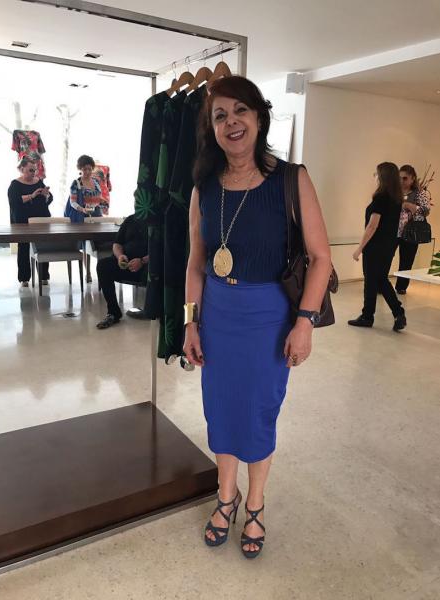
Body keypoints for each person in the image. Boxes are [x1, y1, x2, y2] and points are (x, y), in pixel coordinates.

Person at [183, 76, 332, 559]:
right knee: (221, 409)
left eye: (240, 111)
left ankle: (256, 504)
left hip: (269, 317)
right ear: (211, 129)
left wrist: (305, 322)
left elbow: (321, 257)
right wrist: (190, 322)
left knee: (259, 412)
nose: (231, 122)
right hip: (217, 316)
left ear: (259, 117)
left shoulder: (291, 179)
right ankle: (226, 496)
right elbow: (196, 262)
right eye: (220, 115)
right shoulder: (204, 188)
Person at [348, 162, 406, 331]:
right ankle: (399, 313)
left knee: (371, 281)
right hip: (389, 246)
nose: (374, 176)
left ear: (382, 177)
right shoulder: (396, 199)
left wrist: (359, 248)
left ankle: (367, 317)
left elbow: (372, 226)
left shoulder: (380, 197)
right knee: (381, 280)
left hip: (375, 246)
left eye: (376, 174)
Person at [96, 214, 149, 329]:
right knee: (103, 265)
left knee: (155, 269)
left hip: (147, 266)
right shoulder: (130, 219)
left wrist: (142, 261)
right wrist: (120, 256)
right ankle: (113, 312)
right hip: (126, 264)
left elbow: (161, 250)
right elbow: (117, 243)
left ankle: (152, 309)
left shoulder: (158, 220)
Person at [7, 157, 53, 287]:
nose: (34, 173)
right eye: (31, 170)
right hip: (22, 220)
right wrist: (32, 196)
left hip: (40, 219)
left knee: (43, 246)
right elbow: (14, 202)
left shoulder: (39, 181)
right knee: (23, 247)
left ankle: (44, 276)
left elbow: (50, 198)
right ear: (22, 169)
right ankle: (24, 278)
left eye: (35, 170)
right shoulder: (15, 184)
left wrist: (46, 195)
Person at [395, 164, 431, 294]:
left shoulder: (420, 193)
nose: (402, 181)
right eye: (399, 178)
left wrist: (412, 206)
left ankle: (401, 287)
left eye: (405, 178)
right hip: (393, 231)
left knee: (406, 261)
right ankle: (381, 285)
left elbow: (426, 211)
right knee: (385, 258)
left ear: (413, 178)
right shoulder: (395, 192)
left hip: (411, 232)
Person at [65, 155, 104, 222]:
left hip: (97, 215)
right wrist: (83, 209)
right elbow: (73, 202)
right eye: (85, 169)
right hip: (82, 216)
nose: (87, 172)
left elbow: (98, 197)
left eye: (90, 169)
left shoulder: (96, 181)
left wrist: (102, 201)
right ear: (80, 169)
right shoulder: (76, 183)